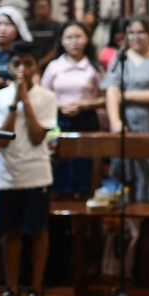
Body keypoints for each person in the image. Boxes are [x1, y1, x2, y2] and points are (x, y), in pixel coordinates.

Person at [0, 41, 57, 296]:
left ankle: (36, 292)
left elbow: (39, 136)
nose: (22, 70)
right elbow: (1, 140)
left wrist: (26, 100)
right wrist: (14, 101)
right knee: (10, 233)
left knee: (37, 232)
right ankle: (11, 291)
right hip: (6, 175)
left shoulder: (47, 97)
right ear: (9, 66)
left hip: (36, 174)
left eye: (28, 64)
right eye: (16, 65)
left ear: (36, 66)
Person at [103, 15, 149, 201]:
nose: (136, 37)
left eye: (141, 32)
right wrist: (115, 122)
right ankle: (131, 228)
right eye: (131, 33)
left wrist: (126, 96)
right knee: (126, 175)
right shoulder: (120, 58)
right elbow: (111, 91)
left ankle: (148, 224)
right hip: (126, 124)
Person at [41, 21, 104, 193]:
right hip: (58, 120)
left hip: (87, 119)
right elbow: (42, 96)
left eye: (78, 37)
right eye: (69, 38)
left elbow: (104, 98)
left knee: (85, 165)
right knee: (61, 164)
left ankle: (85, 200)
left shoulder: (94, 67)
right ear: (61, 41)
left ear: (86, 39)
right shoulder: (54, 66)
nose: (74, 42)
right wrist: (61, 106)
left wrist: (84, 104)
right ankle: (60, 204)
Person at [28, 0, 62, 70]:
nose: (40, 11)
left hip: (52, 65)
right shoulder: (29, 26)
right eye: (38, 8)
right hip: (32, 65)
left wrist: (42, 62)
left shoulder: (57, 26)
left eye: (43, 7)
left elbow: (56, 48)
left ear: (50, 9)